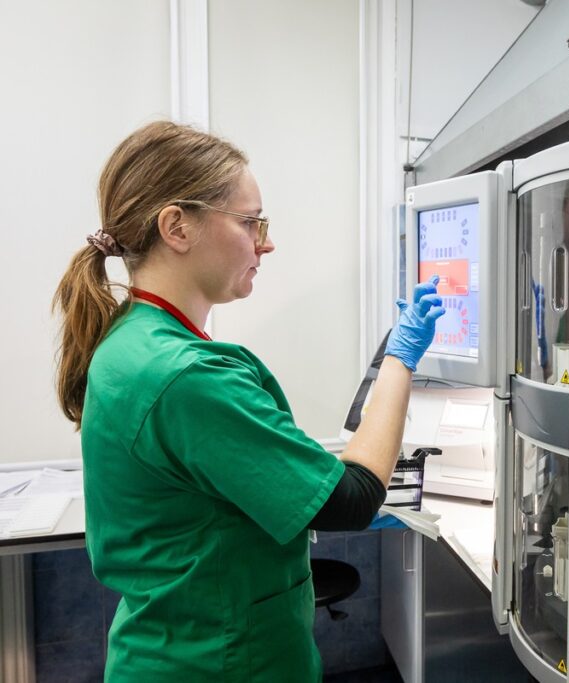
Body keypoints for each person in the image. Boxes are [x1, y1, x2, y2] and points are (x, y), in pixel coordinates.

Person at [51, 120, 444, 682]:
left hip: (175, 648)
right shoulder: (186, 376)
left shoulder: (132, 340)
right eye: (250, 222)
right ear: (177, 227)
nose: (266, 241)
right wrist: (400, 359)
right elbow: (354, 499)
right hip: (219, 663)